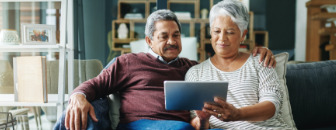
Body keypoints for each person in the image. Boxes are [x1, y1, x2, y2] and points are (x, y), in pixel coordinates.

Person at [55, 9, 276, 130]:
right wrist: (78, 96)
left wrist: (258, 52)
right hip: (138, 124)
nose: (172, 41)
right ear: (149, 40)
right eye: (164, 36)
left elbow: (225, 61)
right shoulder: (128, 62)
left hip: (181, 126)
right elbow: (96, 84)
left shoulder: (192, 68)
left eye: (176, 35)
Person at [186, 0, 295, 129]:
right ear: (210, 32)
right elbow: (195, 120)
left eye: (230, 32)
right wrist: (203, 121)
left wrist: (237, 114)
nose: (222, 38)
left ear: (243, 35)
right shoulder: (195, 73)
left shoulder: (260, 61)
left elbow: (272, 106)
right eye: (217, 31)